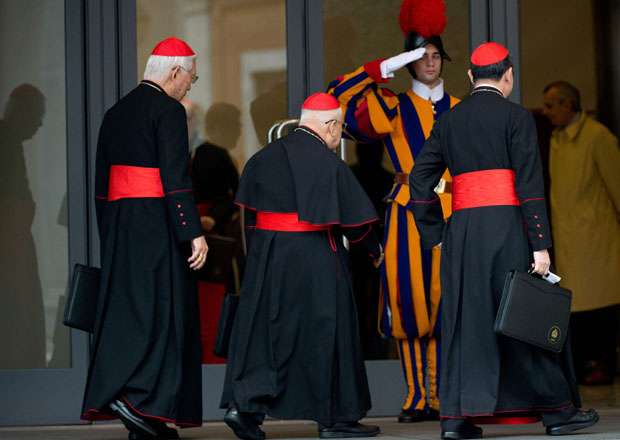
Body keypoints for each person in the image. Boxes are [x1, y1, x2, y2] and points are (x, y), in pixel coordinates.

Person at [409, 41, 599, 440]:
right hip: (509, 228)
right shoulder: (517, 118)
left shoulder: (448, 120)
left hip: (462, 232)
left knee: (467, 320)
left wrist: (436, 233)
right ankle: (558, 412)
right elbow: (530, 186)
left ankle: (457, 419)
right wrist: (540, 244)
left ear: (469, 78)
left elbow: (419, 180)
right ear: (508, 75)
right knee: (524, 316)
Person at [220, 93, 382, 440]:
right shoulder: (330, 164)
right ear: (329, 126)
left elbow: (249, 218)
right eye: (339, 128)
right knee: (328, 332)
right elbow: (356, 225)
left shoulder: (261, 158)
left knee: (263, 334)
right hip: (315, 256)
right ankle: (334, 418)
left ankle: (244, 408)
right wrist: (373, 250)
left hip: (267, 256)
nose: (339, 135)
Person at [327, 0, 458, 422]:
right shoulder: (392, 105)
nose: (431, 63)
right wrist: (378, 68)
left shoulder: (462, 106)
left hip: (457, 211)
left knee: (452, 302)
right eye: (422, 57)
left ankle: (449, 396)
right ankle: (419, 397)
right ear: (410, 63)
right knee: (410, 304)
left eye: (436, 55)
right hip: (406, 212)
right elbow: (334, 102)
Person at [81, 37, 208, 440]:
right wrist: (193, 233)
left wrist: (111, 231)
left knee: (132, 315)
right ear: (174, 72)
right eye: (191, 77)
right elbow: (175, 178)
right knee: (164, 316)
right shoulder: (168, 110)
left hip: (122, 226)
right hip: (158, 226)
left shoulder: (115, 112)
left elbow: (101, 186)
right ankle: (140, 402)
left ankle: (146, 421)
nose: (191, 85)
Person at [543, 81, 620, 386]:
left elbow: (616, 184)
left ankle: (602, 363)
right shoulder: (557, 138)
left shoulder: (598, 136)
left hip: (596, 235)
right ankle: (583, 365)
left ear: (568, 105)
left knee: (600, 304)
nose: (547, 112)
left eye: (551, 106)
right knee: (576, 306)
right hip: (568, 236)